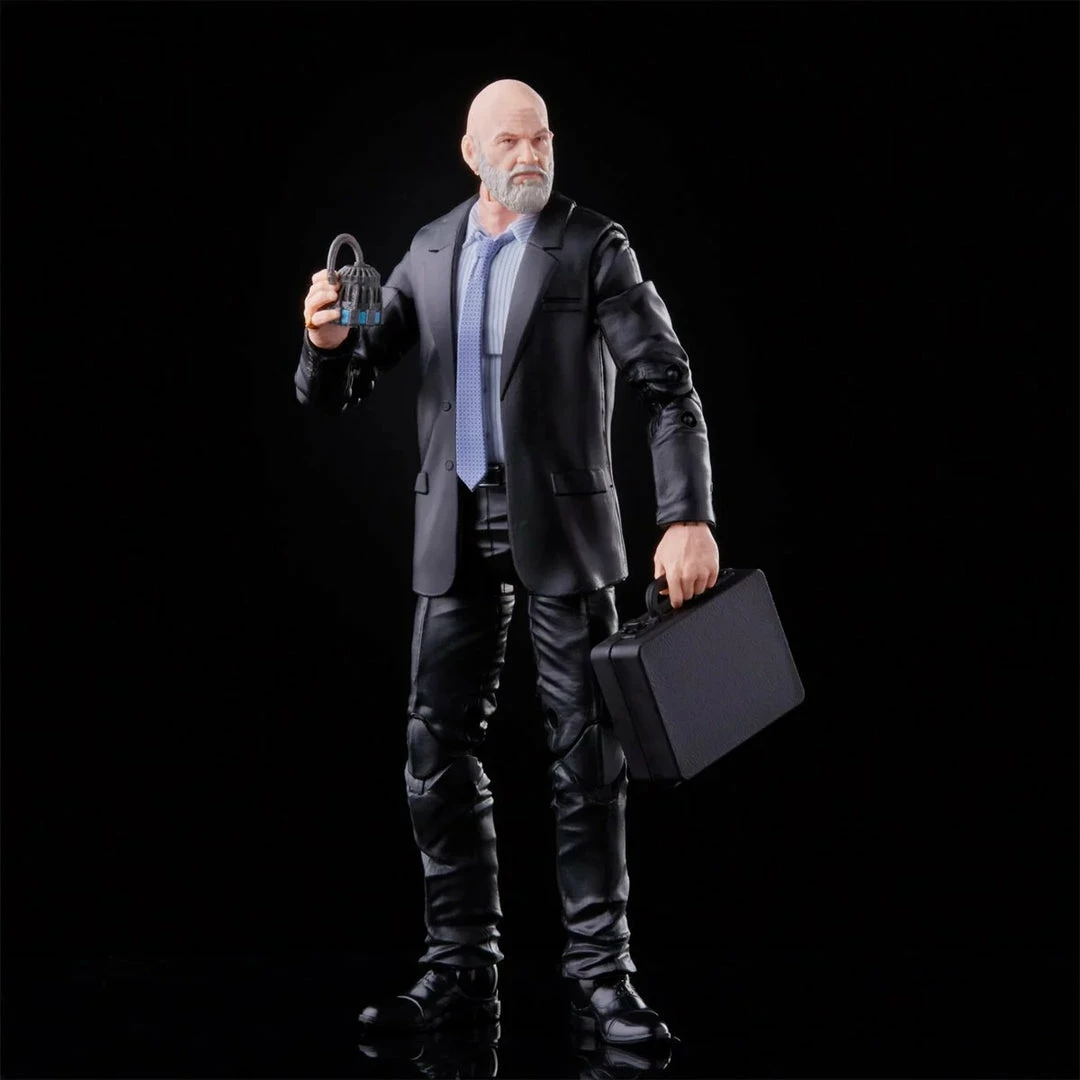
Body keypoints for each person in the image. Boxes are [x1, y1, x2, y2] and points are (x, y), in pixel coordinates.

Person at [295, 79, 720, 1045]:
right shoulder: (428, 250)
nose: (529, 155)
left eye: (541, 139)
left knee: (587, 754)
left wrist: (687, 516)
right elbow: (348, 380)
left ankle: (602, 978)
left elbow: (668, 386)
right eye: (510, 141)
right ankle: (458, 970)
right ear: (471, 152)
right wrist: (324, 338)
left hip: (563, 527)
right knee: (433, 749)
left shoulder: (594, 245)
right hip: (454, 524)